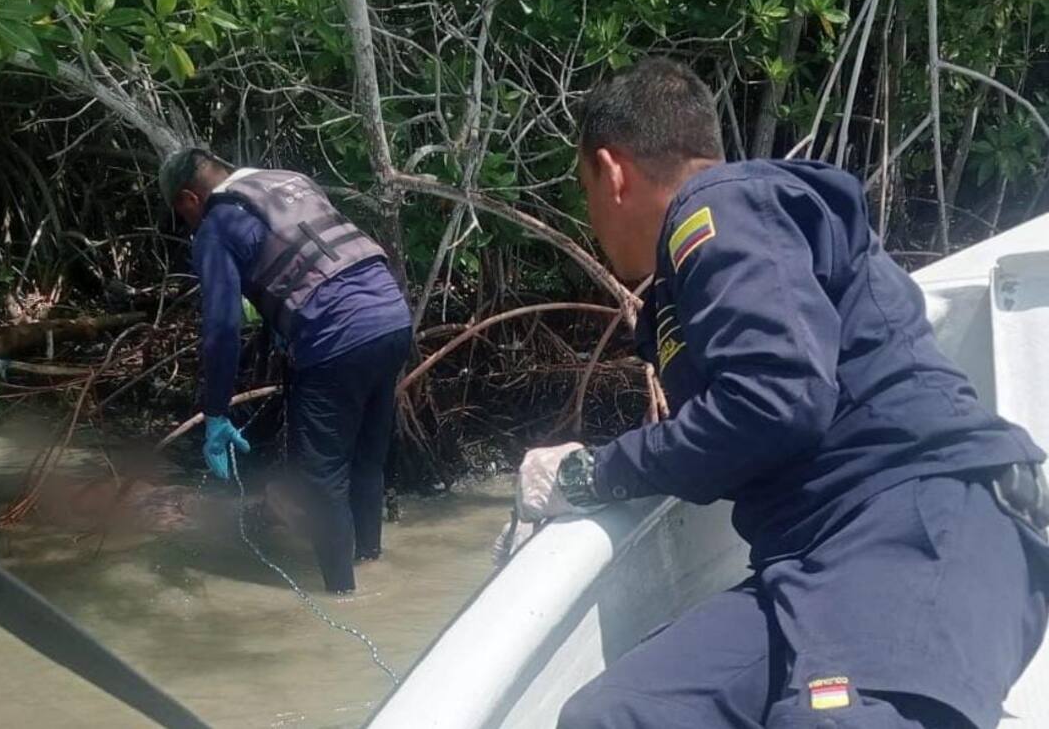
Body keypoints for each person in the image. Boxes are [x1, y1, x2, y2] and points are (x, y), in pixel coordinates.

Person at [515, 57, 1049, 729]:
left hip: (916, 519)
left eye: (584, 191)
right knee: (613, 715)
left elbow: (777, 400)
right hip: (806, 562)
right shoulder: (690, 278)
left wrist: (592, 474)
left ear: (611, 171)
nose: (591, 219)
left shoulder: (719, 208)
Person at [159, 148, 412, 594]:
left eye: (184, 216)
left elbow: (222, 327)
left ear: (188, 199)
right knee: (366, 460)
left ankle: (343, 598)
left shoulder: (215, 226)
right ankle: (371, 563)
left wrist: (215, 412)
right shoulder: (289, 180)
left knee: (322, 479)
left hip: (335, 337)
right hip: (392, 316)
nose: (190, 225)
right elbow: (315, 261)